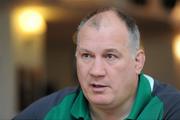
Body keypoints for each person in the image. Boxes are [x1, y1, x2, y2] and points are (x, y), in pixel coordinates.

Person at [13, 7, 180, 120]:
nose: (96, 71)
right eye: (86, 55)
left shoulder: (170, 109)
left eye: (110, 56)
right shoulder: (52, 110)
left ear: (138, 61)